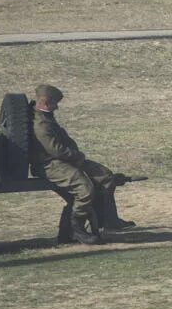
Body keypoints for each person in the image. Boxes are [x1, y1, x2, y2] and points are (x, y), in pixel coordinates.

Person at [29, 84, 131, 245]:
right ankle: (76, 230)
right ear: (46, 102)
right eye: (55, 103)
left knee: (105, 176)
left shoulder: (46, 117)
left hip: (65, 160)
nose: (57, 107)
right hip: (51, 164)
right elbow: (56, 150)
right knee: (84, 189)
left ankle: (108, 220)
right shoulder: (40, 124)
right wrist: (77, 156)